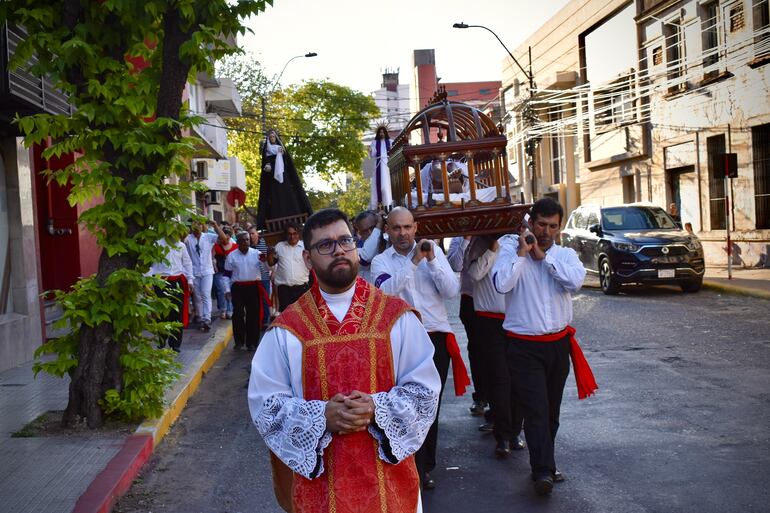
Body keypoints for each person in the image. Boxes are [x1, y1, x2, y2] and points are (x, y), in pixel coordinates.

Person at [248, 208, 441, 513]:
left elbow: (425, 392)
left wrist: (376, 408)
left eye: (345, 240)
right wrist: (321, 416)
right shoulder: (287, 330)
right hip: (319, 492)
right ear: (308, 259)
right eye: (325, 245)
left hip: (389, 487)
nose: (338, 250)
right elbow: (266, 405)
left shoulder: (396, 318)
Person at [492, 197, 597, 496]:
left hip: (557, 345)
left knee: (551, 412)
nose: (546, 231)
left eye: (552, 226)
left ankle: (545, 462)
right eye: (541, 224)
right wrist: (524, 254)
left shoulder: (565, 256)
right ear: (531, 222)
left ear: (559, 227)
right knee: (536, 410)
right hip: (523, 347)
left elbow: (574, 282)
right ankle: (543, 471)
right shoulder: (511, 252)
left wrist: (544, 257)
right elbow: (502, 284)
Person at [371, 206, 469, 490]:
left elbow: (451, 291)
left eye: (407, 227)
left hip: (434, 337)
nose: (402, 233)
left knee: (429, 406)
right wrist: (413, 262)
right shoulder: (380, 262)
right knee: (402, 405)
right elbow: (384, 294)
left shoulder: (434, 253)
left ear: (415, 228)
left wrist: (432, 261)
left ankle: (425, 466)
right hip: (400, 339)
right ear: (388, 231)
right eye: (396, 228)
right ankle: (404, 461)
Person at [466, 235, 525, 457]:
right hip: (488, 322)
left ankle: (514, 431)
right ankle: (503, 436)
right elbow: (474, 274)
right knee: (500, 380)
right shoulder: (479, 244)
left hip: (516, 320)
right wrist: (491, 249)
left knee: (518, 380)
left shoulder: (518, 241)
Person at [447, 236, 489, 420]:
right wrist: (466, 239)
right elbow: (455, 265)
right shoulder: (459, 238)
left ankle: (502, 404)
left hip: (497, 301)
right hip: (471, 299)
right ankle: (481, 397)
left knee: (499, 354)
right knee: (478, 351)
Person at [256, 129, 313, 230]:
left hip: (284, 177)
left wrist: (281, 155)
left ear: (276, 138)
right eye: (270, 137)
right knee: (274, 197)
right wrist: (268, 166)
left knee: (288, 193)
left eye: (274, 137)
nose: (272, 138)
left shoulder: (281, 148)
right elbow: (266, 160)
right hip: (272, 179)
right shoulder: (267, 149)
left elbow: (287, 162)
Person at [147, 236, 195, 352]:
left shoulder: (181, 245)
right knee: (161, 313)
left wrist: (190, 280)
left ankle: (175, 344)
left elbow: (187, 263)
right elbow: (150, 264)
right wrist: (148, 281)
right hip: (161, 281)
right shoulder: (157, 243)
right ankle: (161, 341)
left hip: (177, 281)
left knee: (176, 313)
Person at [225, 232, 268, 351]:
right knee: (238, 314)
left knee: (253, 315)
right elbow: (226, 275)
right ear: (237, 242)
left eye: (247, 240)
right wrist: (227, 290)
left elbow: (267, 268)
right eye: (243, 240)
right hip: (238, 287)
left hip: (253, 287)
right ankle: (239, 341)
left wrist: (267, 259)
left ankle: (252, 342)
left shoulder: (257, 254)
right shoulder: (231, 256)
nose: (246, 242)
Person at [184, 219, 229, 332]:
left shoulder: (208, 236)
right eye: (195, 224)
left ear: (202, 225)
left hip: (207, 271)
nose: (197, 226)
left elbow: (223, 239)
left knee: (205, 294)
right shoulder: (188, 239)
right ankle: (200, 317)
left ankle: (206, 318)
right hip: (194, 272)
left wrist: (215, 226)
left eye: (199, 223)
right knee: (197, 296)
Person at [269, 222, 310, 312]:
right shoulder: (279, 246)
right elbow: (272, 263)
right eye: (289, 234)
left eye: (294, 233)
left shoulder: (305, 246)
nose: (292, 236)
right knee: (287, 315)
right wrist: (269, 255)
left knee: (304, 315)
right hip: (284, 289)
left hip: (302, 288)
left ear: (298, 234)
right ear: (286, 235)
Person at [353, 210, 386, 283]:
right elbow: (366, 257)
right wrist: (377, 227)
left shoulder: (391, 245)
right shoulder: (357, 252)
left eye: (372, 228)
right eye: (365, 231)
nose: (370, 233)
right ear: (360, 234)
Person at [249, 226, 271, 326]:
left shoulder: (264, 242)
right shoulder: (246, 245)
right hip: (251, 278)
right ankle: (256, 320)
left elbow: (270, 258)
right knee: (254, 301)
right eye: (249, 234)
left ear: (257, 234)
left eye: (253, 233)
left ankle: (265, 321)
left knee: (265, 300)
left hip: (264, 277)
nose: (251, 236)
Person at [213, 225, 237, 319]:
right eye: (224, 235)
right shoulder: (216, 245)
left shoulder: (235, 246)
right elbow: (212, 257)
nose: (225, 237)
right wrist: (214, 266)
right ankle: (223, 309)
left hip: (230, 272)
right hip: (220, 271)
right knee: (221, 291)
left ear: (230, 236)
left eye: (227, 235)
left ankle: (230, 310)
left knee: (229, 291)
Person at [367, 125, 393, 210]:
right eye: (380, 132)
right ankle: (377, 206)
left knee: (386, 186)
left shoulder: (390, 141)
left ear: (385, 133)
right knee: (377, 186)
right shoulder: (374, 142)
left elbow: (393, 151)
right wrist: (370, 150)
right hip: (378, 165)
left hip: (387, 165)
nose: (381, 134)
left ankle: (388, 204)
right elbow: (373, 154)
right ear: (378, 133)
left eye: (383, 132)